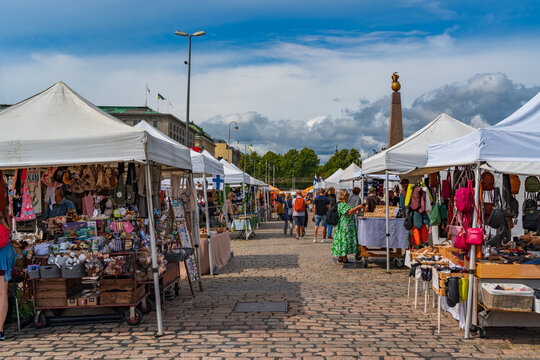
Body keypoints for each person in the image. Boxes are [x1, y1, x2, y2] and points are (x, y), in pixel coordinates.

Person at [332, 190, 364, 263]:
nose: (348, 197)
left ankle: (340, 258)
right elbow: (349, 212)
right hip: (345, 226)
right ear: (343, 196)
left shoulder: (342, 204)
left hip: (344, 226)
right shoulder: (342, 204)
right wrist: (358, 207)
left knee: (342, 242)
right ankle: (344, 259)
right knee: (344, 242)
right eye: (346, 195)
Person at [0, 212, 18, 340]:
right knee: (2, 294)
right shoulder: (3, 229)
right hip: (3, 261)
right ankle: (0, 330)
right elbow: (7, 235)